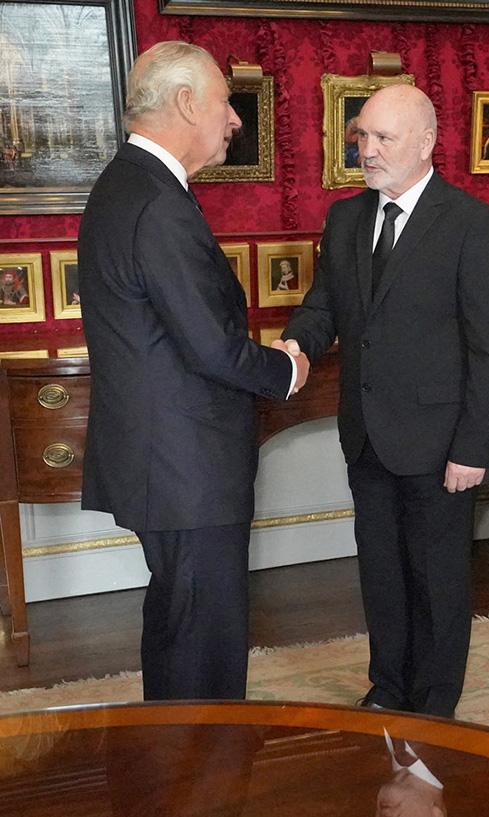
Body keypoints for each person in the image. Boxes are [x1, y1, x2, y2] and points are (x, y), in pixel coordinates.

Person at [78, 41, 309, 701]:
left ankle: (175, 764)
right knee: (203, 644)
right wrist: (284, 369)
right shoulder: (158, 203)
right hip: (187, 467)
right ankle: (199, 778)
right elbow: (210, 346)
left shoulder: (128, 184)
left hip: (165, 460)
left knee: (180, 624)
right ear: (184, 102)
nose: (234, 120)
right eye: (224, 102)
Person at [280, 83, 489, 718]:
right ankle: (388, 689)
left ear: (425, 143)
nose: (369, 150)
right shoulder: (346, 217)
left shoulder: (472, 224)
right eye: (363, 135)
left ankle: (437, 705)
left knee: (437, 580)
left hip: (441, 444)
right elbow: (323, 304)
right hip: (365, 435)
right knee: (381, 575)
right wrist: (295, 345)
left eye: (384, 138)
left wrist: (474, 446)